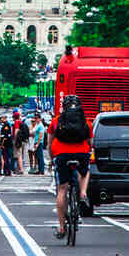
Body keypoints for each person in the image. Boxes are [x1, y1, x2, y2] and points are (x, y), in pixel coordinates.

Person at [50, 95, 92, 240]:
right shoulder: (86, 121)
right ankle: (83, 194)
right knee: (85, 172)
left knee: (62, 189)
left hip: (61, 155)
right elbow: (90, 141)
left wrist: (51, 158)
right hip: (81, 154)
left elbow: (50, 143)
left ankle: (61, 227)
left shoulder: (56, 121)